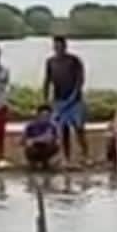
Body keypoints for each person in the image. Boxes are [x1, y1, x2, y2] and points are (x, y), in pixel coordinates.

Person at [43, 36, 88, 167]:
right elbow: (47, 80)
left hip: (75, 101)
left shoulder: (74, 60)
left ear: (65, 46)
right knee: (63, 130)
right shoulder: (51, 62)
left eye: (60, 46)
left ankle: (85, 155)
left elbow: (80, 80)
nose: (58, 48)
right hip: (59, 100)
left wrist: (74, 96)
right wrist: (46, 98)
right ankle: (66, 158)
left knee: (79, 128)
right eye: (56, 46)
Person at [21, 104, 60, 170]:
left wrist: (34, 140)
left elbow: (51, 138)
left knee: (55, 145)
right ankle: (33, 161)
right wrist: (27, 141)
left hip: (46, 146)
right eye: (43, 115)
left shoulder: (52, 125)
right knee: (30, 146)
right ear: (38, 115)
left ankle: (45, 161)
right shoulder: (30, 125)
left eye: (47, 116)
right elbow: (22, 140)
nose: (45, 118)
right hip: (34, 147)